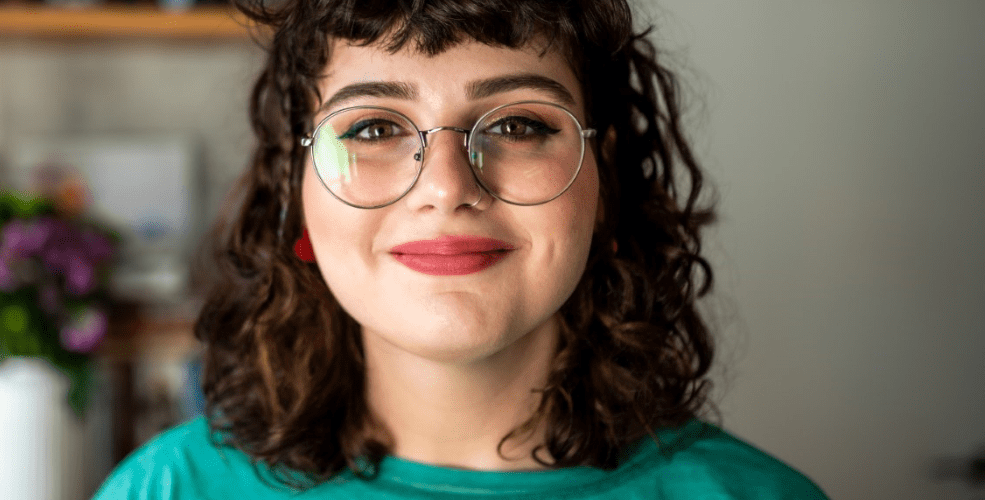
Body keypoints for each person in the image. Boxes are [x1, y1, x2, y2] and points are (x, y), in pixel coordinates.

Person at [95, 0, 827, 497]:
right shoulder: (167, 489)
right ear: (297, 193)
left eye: (517, 125)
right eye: (375, 128)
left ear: (605, 187)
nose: (446, 188)